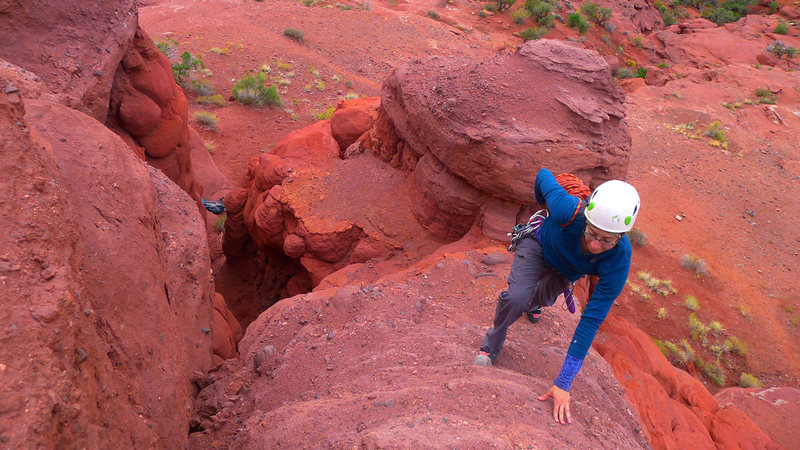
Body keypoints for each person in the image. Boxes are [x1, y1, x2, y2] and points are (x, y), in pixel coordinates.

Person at [476, 167, 640, 425]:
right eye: (591, 232)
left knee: (536, 299)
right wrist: (545, 206)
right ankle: (490, 346)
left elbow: (591, 320)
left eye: (606, 240)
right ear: (587, 217)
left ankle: (534, 304)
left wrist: (563, 383)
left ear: (622, 237)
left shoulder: (619, 261)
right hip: (538, 244)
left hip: (565, 271)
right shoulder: (568, 211)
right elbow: (542, 174)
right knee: (516, 298)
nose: (595, 244)